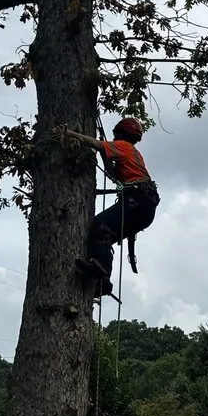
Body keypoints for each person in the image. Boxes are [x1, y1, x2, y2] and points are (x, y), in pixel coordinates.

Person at [62, 118, 160, 297]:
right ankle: (103, 282)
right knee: (105, 238)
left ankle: (101, 269)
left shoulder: (123, 146)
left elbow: (96, 144)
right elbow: (112, 174)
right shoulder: (133, 153)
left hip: (137, 201)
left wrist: (70, 134)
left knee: (101, 225)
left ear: (120, 134)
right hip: (144, 208)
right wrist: (105, 156)